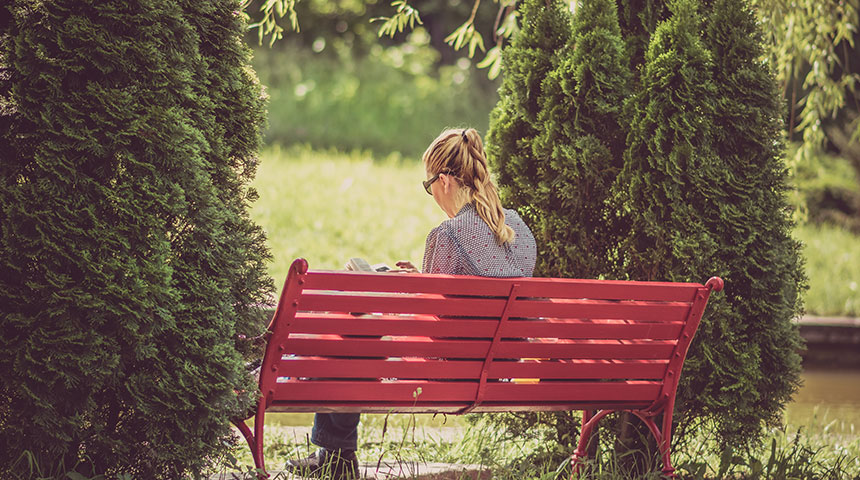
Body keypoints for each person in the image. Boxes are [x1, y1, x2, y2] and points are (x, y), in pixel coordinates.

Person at [285, 128, 537, 479]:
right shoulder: (518, 230)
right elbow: (473, 294)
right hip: (496, 369)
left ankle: (333, 452)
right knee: (355, 324)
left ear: (445, 181)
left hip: (443, 373)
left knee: (353, 328)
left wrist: (394, 292)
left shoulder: (448, 235)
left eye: (428, 183)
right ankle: (332, 456)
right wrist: (419, 279)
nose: (431, 192)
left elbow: (428, 321)